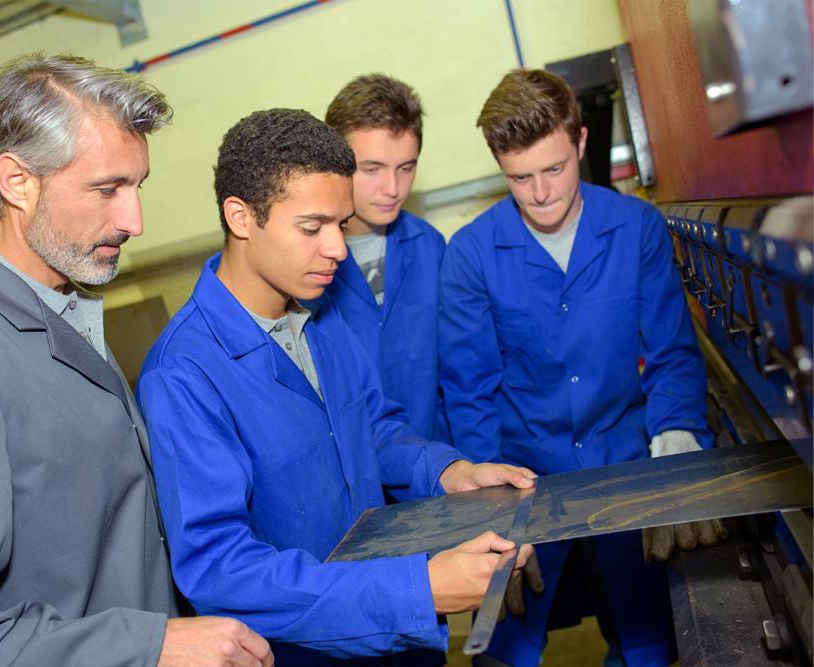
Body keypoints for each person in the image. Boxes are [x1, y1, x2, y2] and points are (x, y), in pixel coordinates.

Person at [0, 53, 272, 667]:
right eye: (106, 189)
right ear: (17, 180)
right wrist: (149, 646)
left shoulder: (62, 311)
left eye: (137, 187)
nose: (134, 221)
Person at [137, 108, 536, 665]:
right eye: (311, 228)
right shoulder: (184, 374)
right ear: (241, 217)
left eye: (341, 225)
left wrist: (449, 472)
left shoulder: (319, 316)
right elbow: (219, 568)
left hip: (398, 635)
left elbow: (374, 428)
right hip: (309, 650)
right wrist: (415, 591)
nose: (338, 250)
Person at [439, 68, 724, 667]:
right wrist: (486, 513)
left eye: (555, 168)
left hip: (626, 466)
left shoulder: (637, 228)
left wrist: (676, 445)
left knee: (651, 642)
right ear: (498, 165)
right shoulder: (469, 255)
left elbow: (672, 353)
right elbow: (470, 392)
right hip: (526, 480)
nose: (541, 192)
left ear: (582, 143)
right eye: (519, 177)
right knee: (503, 650)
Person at [323, 74, 449, 441]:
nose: (392, 189)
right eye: (372, 169)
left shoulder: (430, 247)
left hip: (437, 470)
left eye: (406, 168)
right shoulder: (307, 264)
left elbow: (458, 377)